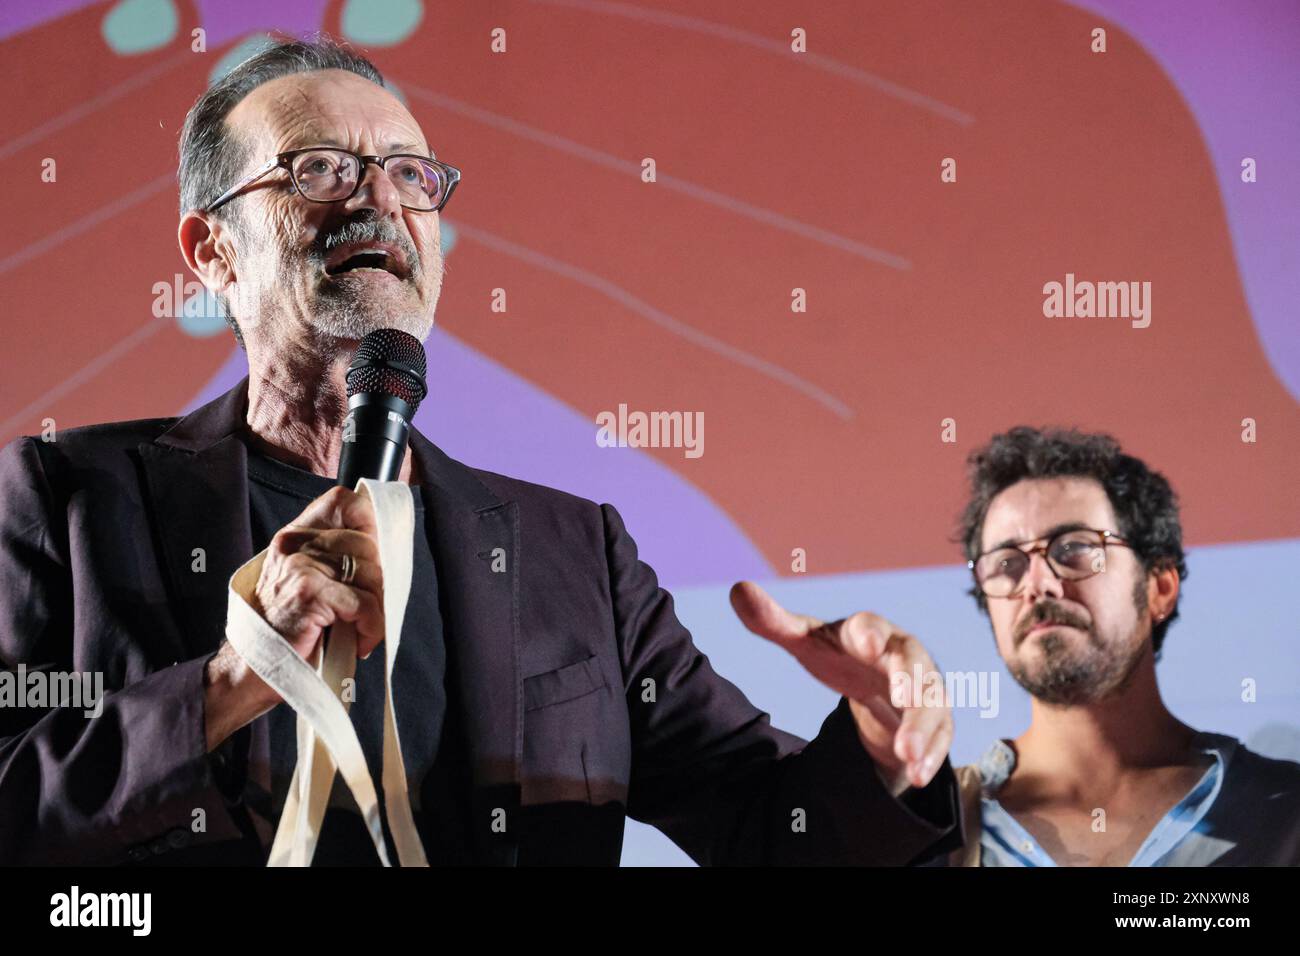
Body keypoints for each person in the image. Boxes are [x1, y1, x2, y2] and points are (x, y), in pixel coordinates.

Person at [0, 36, 960, 866]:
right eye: (321, 168)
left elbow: (771, 833)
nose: (380, 199)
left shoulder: (574, 552)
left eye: (411, 173)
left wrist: (878, 751)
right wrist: (228, 684)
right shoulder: (65, 499)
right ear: (212, 251)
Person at [946, 426, 1300, 866]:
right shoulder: (929, 833)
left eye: (1074, 548)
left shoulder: (1287, 817)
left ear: (1159, 588)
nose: (1038, 584)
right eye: (1007, 564)